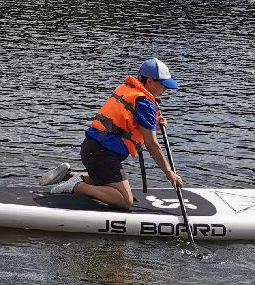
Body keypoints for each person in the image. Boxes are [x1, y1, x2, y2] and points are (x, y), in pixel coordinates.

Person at [39, 58, 184, 210]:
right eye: (162, 84)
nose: (165, 89)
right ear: (149, 81)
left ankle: (69, 175)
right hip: (102, 154)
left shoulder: (129, 90)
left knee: (106, 184)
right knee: (124, 200)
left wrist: (154, 124)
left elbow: (129, 124)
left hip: (91, 148)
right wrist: (169, 173)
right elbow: (152, 145)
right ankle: (77, 186)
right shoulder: (144, 103)